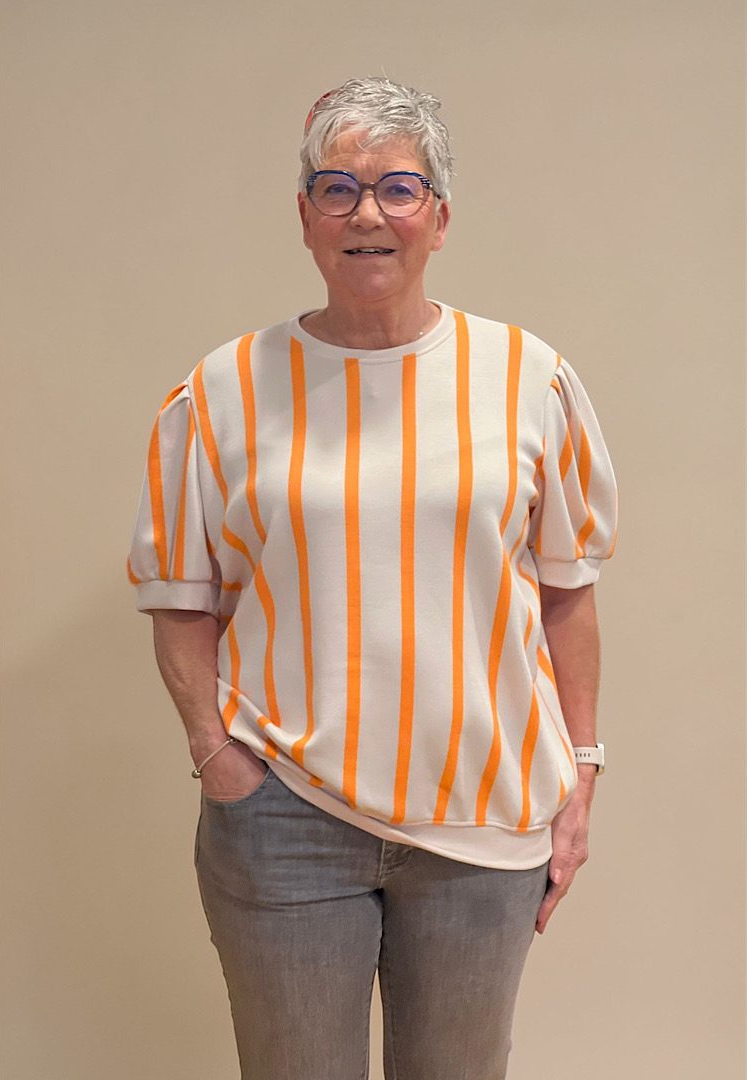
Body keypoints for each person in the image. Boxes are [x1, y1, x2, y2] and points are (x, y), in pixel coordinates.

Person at [126, 75, 618, 1080]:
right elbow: (179, 597)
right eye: (337, 188)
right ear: (305, 215)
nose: (367, 214)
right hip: (284, 818)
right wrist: (217, 756)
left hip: (486, 819)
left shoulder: (530, 379)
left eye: (398, 187)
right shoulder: (221, 390)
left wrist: (582, 771)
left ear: (440, 217)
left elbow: (567, 590)